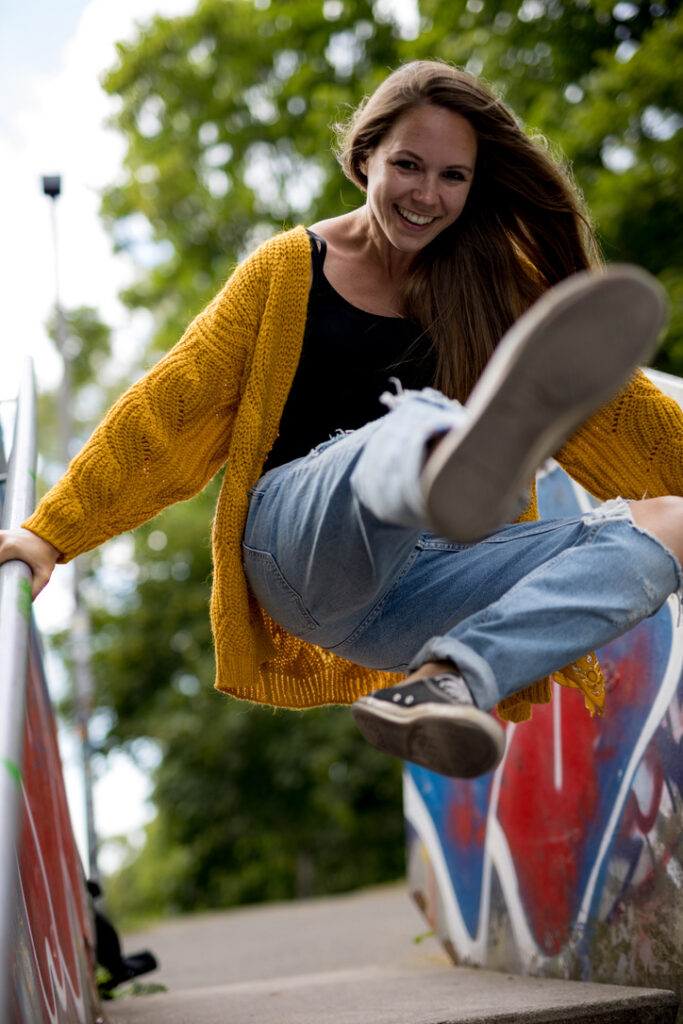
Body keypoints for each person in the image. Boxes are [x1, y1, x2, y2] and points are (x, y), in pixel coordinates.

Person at [2, 60, 683, 779]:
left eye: (452, 176)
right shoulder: (287, 270)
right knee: (414, 422)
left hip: (416, 593)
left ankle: (453, 679)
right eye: (407, 165)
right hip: (297, 549)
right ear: (364, 158)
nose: (427, 194)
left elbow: (628, 421)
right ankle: (444, 460)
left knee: (671, 522)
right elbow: (167, 411)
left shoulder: (493, 294)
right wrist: (52, 534)